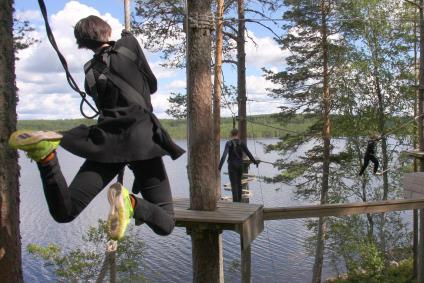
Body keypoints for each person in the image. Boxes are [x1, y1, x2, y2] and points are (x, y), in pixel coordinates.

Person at [9, 15, 185, 240]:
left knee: (66, 212)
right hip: (141, 141)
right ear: (107, 32)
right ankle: (131, 203)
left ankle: (46, 159)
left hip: (107, 142)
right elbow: (152, 85)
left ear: (82, 44)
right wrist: (127, 39)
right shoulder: (129, 45)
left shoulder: (88, 72)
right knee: (166, 223)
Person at [218, 129, 259, 202]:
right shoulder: (241, 143)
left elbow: (224, 156)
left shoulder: (228, 143)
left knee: (234, 185)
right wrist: (255, 162)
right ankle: (239, 202)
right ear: (238, 134)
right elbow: (248, 153)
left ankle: (235, 203)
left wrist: (219, 168)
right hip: (240, 166)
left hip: (232, 166)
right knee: (239, 183)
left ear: (231, 134)